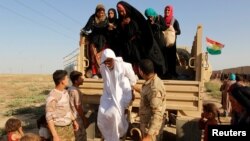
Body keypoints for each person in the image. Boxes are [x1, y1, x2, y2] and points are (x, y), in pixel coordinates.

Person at [97, 48, 138, 141]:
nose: (108, 63)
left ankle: (117, 135)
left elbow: (133, 80)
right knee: (102, 113)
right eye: (105, 61)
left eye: (109, 61)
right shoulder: (103, 68)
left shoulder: (124, 66)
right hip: (108, 96)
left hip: (122, 95)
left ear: (113, 59)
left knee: (114, 114)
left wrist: (132, 91)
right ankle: (108, 136)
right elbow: (106, 83)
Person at [116, 1, 165, 76]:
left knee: (139, 60)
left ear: (125, 8)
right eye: (118, 11)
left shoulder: (134, 18)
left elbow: (141, 29)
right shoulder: (120, 21)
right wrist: (122, 25)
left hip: (137, 44)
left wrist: (131, 26)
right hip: (126, 46)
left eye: (121, 10)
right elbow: (119, 34)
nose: (120, 12)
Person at [138, 59, 167, 141]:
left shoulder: (154, 88)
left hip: (150, 129)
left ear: (141, 72)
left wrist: (149, 136)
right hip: (147, 126)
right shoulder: (152, 82)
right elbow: (148, 96)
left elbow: (157, 113)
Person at [45, 70, 79, 141]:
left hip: (69, 127)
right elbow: (49, 118)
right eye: (67, 78)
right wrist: (55, 135)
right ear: (62, 81)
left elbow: (68, 109)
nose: (68, 80)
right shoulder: (52, 97)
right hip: (59, 129)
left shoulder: (65, 92)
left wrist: (74, 121)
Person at [80, 4, 109, 79]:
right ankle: (94, 73)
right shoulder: (92, 18)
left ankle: (103, 73)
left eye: (102, 12)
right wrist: (81, 39)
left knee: (103, 57)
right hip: (94, 40)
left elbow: (109, 29)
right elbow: (86, 28)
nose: (101, 13)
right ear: (96, 12)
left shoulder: (106, 19)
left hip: (104, 40)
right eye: (99, 12)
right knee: (93, 57)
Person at [144, 8, 167, 77]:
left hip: (160, 40)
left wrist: (156, 24)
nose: (150, 18)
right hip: (153, 41)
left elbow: (165, 27)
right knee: (154, 57)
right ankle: (156, 73)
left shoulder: (159, 18)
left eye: (150, 16)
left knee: (162, 56)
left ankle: (164, 73)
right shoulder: (147, 21)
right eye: (148, 16)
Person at [68, 70, 89, 141]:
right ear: (76, 81)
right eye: (80, 78)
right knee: (81, 137)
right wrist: (84, 119)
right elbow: (78, 107)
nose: (83, 79)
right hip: (77, 118)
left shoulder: (70, 89)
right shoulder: (75, 91)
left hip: (72, 117)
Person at [164, 5, 181, 79]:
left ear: (171, 11)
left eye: (168, 10)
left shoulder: (174, 21)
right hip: (164, 43)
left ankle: (172, 73)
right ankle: (165, 73)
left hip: (172, 43)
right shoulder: (162, 20)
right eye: (166, 10)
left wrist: (172, 31)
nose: (167, 12)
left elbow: (179, 31)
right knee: (164, 58)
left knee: (172, 58)